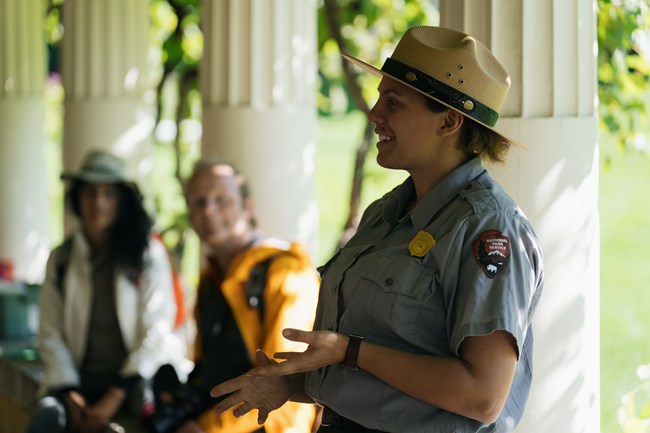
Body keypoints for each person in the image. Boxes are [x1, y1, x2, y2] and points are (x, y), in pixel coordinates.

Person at [209, 25, 545, 433]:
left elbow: (483, 396)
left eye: (393, 101)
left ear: (448, 122)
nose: (374, 114)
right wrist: (289, 384)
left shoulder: (488, 228)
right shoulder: (386, 212)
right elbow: (380, 378)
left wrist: (351, 351)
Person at [146, 159, 319, 433]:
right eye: (198, 202)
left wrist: (205, 428)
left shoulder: (285, 272)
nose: (209, 210)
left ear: (247, 207)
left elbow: (284, 383)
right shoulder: (211, 278)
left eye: (222, 200)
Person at [26, 150, 193, 433]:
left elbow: (157, 331)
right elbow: (50, 333)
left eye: (109, 193)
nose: (98, 202)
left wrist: (115, 395)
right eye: (90, 192)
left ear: (123, 200)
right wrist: (69, 392)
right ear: (77, 198)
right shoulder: (62, 258)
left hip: (135, 380)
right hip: (78, 380)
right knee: (46, 419)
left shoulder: (147, 255)